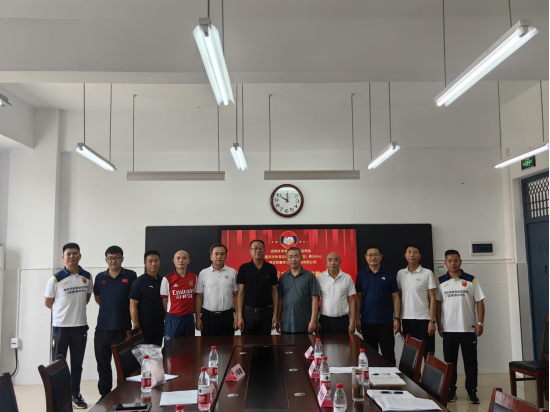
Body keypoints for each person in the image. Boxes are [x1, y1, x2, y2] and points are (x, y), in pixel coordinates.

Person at [44, 243, 93, 409]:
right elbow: (48, 303)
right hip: (60, 327)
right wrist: (63, 314)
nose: (72, 256)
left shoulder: (87, 276)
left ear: (80, 256)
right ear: (63, 257)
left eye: (75, 253)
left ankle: (75, 394)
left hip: (80, 327)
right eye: (69, 254)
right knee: (58, 365)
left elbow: (86, 298)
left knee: (77, 364)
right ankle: (58, 396)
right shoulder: (55, 279)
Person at [437, 250, 486, 405]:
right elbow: (437, 304)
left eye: (455, 260)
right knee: (450, 364)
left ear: (460, 261)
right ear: (445, 262)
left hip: (468, 329)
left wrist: (480, 323)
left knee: (470, 363)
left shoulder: (471, 280)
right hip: (448, 330)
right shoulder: (440, 281)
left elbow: (480, 301)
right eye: (449, 260)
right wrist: (438, 323)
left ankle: (472, 391)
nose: (453, 263)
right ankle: (451, 391)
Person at [93, 246, 137, 400]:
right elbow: (98, 298)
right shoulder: (100, 277)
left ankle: (123, 395)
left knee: (124, 366)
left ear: (122, 259)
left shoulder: (131, 275)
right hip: (103, 328)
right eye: (110, 258)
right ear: (106, 260)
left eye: (117, 257)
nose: (113, 261)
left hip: (123, 328)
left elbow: (133, 300)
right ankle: (105, 395)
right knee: (103, 365)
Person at [355, 245, 401, 365]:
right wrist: (357, 319)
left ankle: (391, 377)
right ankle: (371, 377)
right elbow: (358, 298)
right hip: (366, 322)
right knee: (370, 356)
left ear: (381, 257)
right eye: (370, 255)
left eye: (375, 255)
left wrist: (396, 318)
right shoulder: (361, 275)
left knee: (388, 355)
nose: (373, 257)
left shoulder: (389, 274)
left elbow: (396, 297)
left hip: (386, 321)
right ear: (366, 257)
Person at [397, 244, 437, 358]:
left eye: (415, 252)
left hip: (424, 319)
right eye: (409, 252)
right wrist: (398, 318)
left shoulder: (427, 273)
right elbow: (398, 297)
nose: (412, 255)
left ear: (420, 256)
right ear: (405, 255)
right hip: (406, 318)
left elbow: (433, 298)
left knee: (427, 354)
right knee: (410, 355)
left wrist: (432, 320)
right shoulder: (400, 273)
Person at [236, 240, 279, 335]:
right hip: (248, 313)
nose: (258, 251)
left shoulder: (271, 268)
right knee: (247, 343)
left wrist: (275, 315)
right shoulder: (244, 268)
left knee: (265, 342)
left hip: (266, 313)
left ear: (264, 250)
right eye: (255, 248)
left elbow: (274, 292)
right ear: (250, 251)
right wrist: (239, 316)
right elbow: (240, 294)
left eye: (260, 248)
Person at [195, 244, 238, 336]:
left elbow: (236, 296)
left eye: (222, 254)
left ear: (226, 256)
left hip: (227, 316)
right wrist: (198, 318)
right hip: (208, 316)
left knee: (228, 343)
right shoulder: (203, 273)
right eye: (216, 254)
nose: (219, 256)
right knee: (207, 344)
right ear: (211, 256)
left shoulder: (233, 272)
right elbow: (199, 297)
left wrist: (237, 317)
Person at [277, 247, 320, 335]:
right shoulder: (283, 278)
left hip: (304, 324)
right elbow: (280, 300)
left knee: (305, 344)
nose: (293, 259)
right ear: (287, 259)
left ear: (301, 258)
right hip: (286, 324)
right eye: (290, 257)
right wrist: (277, 319)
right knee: (285, 344)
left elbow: (315, 299)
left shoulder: (310, 277)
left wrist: (313, 321)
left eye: (296, 256)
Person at [129, 250, 165, 346]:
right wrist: (136, 327)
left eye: (156, 261)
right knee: (144, 354)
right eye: (150, 261)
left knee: (157, 353)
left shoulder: (163, 281)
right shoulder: (138, 282)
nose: (153, 264)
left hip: (159, 327)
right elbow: (132, 306)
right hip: (143, 329)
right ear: (145, 263)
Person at [160, 250, 197, 342]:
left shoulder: (194, 277)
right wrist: (171, 315)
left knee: (189, 345)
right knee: (171, 346)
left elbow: (196, 297)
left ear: (188, 261)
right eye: (178, 258)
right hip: (173, 318)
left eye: (184, 258)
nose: (181, 260)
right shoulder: (167, 278)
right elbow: (164, 301)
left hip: (189, 318)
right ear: (174, 261)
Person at [317, 252, 357, 335]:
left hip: (343, 320)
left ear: (340, 262)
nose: (333, 263)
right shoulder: (320, 278)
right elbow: (315, 300)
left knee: (343, 343)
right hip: (325, 320)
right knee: (325, 343)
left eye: (335, 260)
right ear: (326, 263)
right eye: (330, 260)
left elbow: (352, 301)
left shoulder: (347, 278)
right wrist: (315, 320)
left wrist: (353, 322)